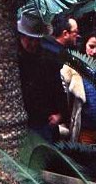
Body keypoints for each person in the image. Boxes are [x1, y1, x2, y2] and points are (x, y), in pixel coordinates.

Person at [17, 12, 68, 142]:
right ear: (21, 37)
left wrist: (60, 114)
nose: (33, 44)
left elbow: (58, 88)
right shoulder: (12, 59)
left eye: (36, 40)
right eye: (29, 39)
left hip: (44, 122)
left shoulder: (48, 58)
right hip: (18, 121)